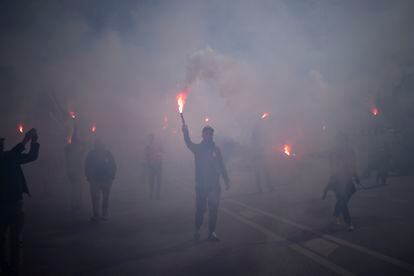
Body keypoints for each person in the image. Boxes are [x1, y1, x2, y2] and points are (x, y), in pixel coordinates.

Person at [0, 129, 40, 275]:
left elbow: (31, 156)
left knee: (14, 239)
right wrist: (27, 140)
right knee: (11, 240)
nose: (2, 145)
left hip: (15, 203)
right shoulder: (9, 157)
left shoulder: (10, 157)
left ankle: (12, 269)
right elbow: (16, 154)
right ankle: (8, 268)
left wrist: (32, 141)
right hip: (6, 204)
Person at [182, 124, 230, 242]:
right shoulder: (198, 148)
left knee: (213, 209)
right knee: (201, 209)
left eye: (211, 134)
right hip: (201, 185)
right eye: (207, 133)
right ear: (203, 135)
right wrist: (185, 132)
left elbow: (221, 165)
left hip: (214, 185)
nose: (210, 136)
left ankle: (211, 232)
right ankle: (197, 231)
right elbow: (188, 143)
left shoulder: (216, 149)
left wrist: (226, 179)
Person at [327, 132, 360, 231]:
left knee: (346, 196)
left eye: (343, 140)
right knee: (343, 200)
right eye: (339, 140)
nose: (341, 142)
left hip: (346, 179)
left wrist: (356, 176)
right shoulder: (334, 151)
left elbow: (353, 165)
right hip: (337, 180)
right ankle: (348, 222)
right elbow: (332, 165)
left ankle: (336, 214)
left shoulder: (350, 151)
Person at [85, 139, 116, 221]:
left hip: (105, 179)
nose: (98, 146)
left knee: (105, 198)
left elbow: (113, 165)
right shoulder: (91, 154)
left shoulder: (107, 154)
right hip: (95, 179)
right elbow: (87, 165)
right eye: (97, 145)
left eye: (100, 145)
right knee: (95, 198)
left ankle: (104, 214)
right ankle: (96, 215)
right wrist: (88, 176)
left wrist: (112, 176)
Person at [64, 126, 85, 216]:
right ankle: (75, 206)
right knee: (76, 189)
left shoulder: (70, 151)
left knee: (76, 189)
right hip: (74, 171)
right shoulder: (72, 151)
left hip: (74, 171)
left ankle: (76, 205)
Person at [144, 134, 163, 200]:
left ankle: (153, 195)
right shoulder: (150, 146)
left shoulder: (148, 146)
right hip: (156, 165)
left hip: (154, 165)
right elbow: (146, 156)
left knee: (153, 181)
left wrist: (148, 161)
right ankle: (155, 195)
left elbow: (146, 156)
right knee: (156, 181)